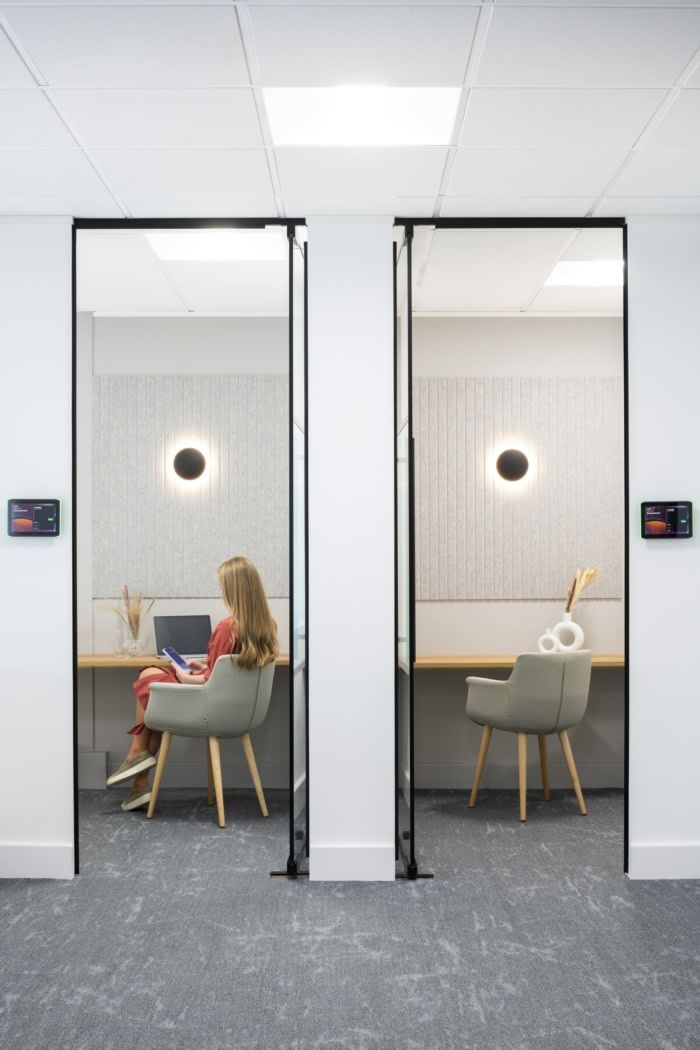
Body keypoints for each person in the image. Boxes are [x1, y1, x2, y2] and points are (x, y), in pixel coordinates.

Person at [106, 556, 279, 811]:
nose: (221, 592)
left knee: (148, 676)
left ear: (233, 590)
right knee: (154, 676)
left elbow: (208, 684)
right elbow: (230, 673)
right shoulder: (268, 626)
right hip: (240, 713)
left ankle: (137, 753)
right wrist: (207, 665)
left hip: (208, 710)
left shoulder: (227, 627)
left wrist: (186, 675)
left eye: (222, 587)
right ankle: (138, 782)